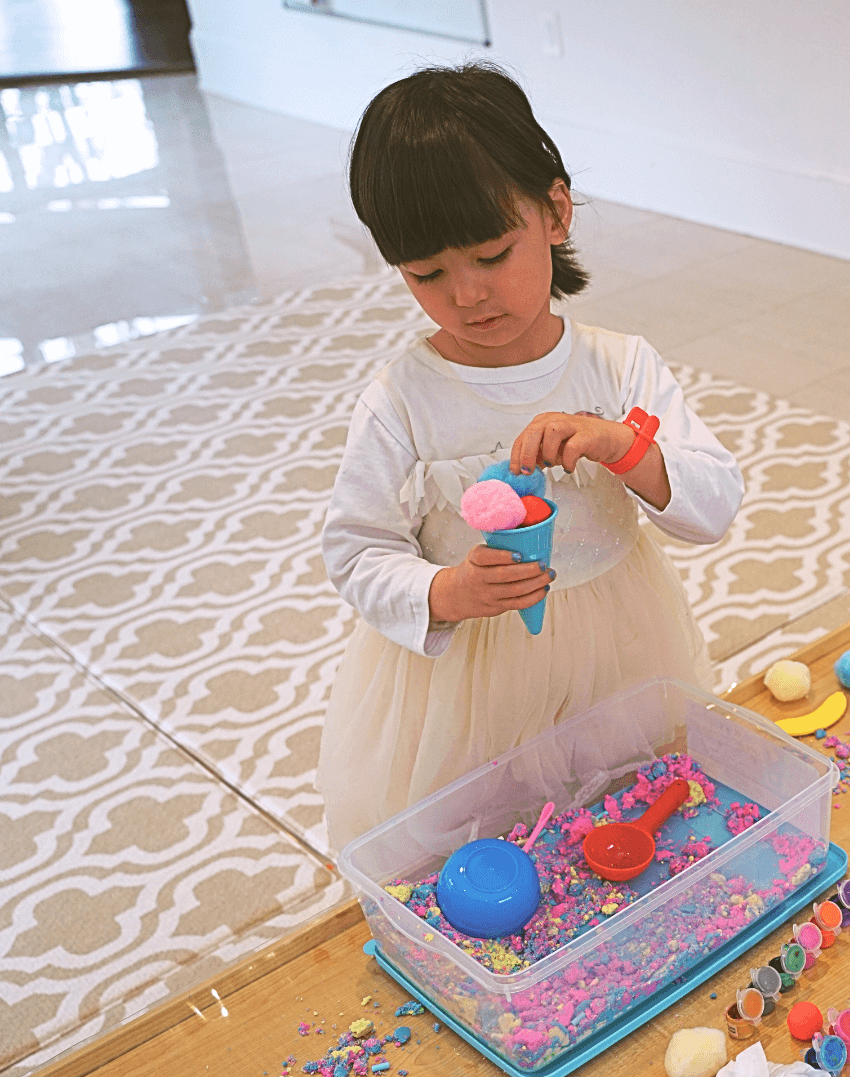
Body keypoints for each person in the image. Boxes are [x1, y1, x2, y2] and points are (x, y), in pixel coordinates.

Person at [317, 62, 742, 853]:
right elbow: (354, 549)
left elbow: (715, 502)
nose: (467, 294)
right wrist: (444, 588)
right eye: (427, 273)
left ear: (554, 211)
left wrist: (628, 450)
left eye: (489, 253)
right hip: (467, 681)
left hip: (618, 651)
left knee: (626, 812)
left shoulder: (620, 369)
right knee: (481, 845)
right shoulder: (402, 399)